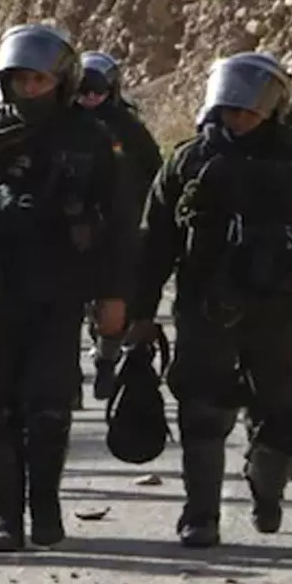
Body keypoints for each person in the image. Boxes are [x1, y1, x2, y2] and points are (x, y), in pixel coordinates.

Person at [0, 24, 132, 552]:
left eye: (39, 80)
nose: (29, 89)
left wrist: (114, 294)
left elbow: (118, 219)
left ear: (60, 82)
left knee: (48, 406)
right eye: (21, 80)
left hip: (59, 288)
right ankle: (5, 519)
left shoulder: (89, 138)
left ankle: (45, 509)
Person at [132, 53, 292, 545]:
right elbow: (156, 239)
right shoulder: (190, 161)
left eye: (248, 111)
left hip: (282, 309)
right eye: (230, 110)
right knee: (201, 408)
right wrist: (139, 310)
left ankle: (267, 481)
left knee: (282, 406)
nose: (238, 119)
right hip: (205, 304)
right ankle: (200, 515)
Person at [75, 52, 164, 401]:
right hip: (69, 226)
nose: (90, 98)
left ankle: (106, 359)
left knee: (114, 305)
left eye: (97, 91)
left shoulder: (128, 128)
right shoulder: (60, 123)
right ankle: (64, 377)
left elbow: (155, 172)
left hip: (119, 227)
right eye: (83, 90)